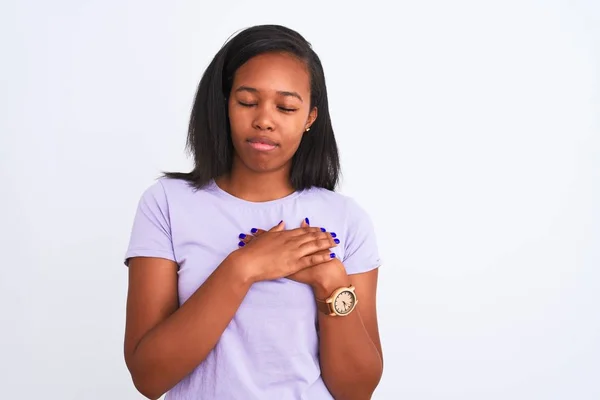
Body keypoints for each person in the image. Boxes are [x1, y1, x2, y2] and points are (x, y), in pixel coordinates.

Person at [123, 24, 383, 400]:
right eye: (247, 102)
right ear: (225, 103)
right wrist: (244, 267)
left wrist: (331, 281)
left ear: (310, 117)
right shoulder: (166, 203)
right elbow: (149, 376)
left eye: (286, 107)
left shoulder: (347, 219)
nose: (264, 119)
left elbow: (357, 391)